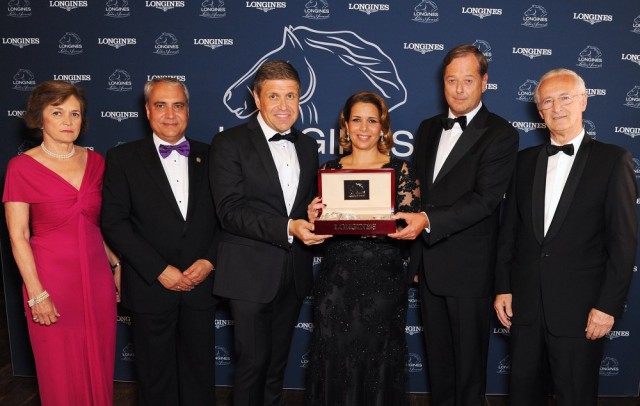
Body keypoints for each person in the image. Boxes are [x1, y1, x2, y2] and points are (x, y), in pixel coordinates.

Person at [494, 69, 637, 406]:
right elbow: (508, 232)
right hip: (525, 309)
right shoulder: (523, 162)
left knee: (575, 396)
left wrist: (606, 307)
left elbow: (623, 242)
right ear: (539, 112)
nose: (556, 107)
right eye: (547, 101)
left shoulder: (613, 160)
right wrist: (503, 285)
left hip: (581, 311)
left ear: (583, 100)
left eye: (565, 97)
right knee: (522, 396)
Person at [391, 44, 519, 405]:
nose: (459, 89)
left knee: (467, 374)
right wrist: (415, 254)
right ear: (442, 83)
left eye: (467, 80)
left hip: (469, 271)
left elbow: (485, 200)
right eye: (452, 80)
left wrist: (426, 221)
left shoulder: (501, 133)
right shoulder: (428, 128)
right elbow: (418, 193)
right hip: (430, 266)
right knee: (440, 369)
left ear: (484, 82)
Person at [209, 60, 329, 406]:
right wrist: (288, 227)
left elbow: (300, 205)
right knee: (252, 365)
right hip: (248, 274)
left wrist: (309, 213)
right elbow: (230, 211)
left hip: (292, 273)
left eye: (291, 96)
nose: (283, 106)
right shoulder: (229, 143)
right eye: (274, 96)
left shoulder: (307, 146)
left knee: (277, 366)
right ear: (256, 98)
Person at [101, 78, 219, 405]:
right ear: (147, 111)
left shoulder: (212, 156)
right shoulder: (122, 158)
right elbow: (114, 222)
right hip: (150, 287)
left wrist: (210, 261)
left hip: (201, 286)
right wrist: (159, 269)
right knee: (155, 382)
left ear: (188, 110)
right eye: (161, 105)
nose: (170, 114)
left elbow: (228, 217)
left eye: (178, 105)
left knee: (200, 378)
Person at [3, 81, 118, 405]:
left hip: (96, 280)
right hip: (50, 281)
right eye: (58, 112)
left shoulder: (97, 163)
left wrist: (116, 265)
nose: (68, 121)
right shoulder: (21, 167)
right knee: (59, 371)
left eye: (75, 113)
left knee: (99, 363)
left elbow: (100, 226)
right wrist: (37, 294)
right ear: (39, 119)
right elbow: (18, 236)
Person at [305, 91, 420, 405]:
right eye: (356, 119)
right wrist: (315, 217)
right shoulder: (330, 169)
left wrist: (398, 223)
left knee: (378, 360)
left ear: (383, 126)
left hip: (382, 282)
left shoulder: (401, 170)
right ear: (345, 125)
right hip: (336, 281)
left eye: (372, 120)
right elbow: (321, 229)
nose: (364, 127)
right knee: (335, 359)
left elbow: (410, 229)